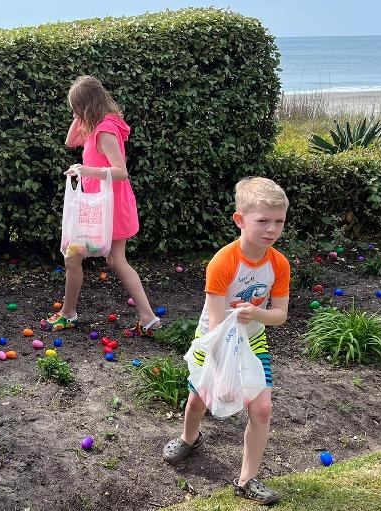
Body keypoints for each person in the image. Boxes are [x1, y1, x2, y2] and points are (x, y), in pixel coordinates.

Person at [162, 177, 291, 506]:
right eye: (262, 220)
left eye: (279, 221)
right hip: (214, 340)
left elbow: (279, 315)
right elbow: (218, 322)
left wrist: (255, 315)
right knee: (199, 398)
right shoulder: (223, 262)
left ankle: (247, 480)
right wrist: (224, 365)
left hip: (253, 342)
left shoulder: (278, 264)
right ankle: (189, 438)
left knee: (261, 409)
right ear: (240, 219)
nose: (271, 229)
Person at [40, 75, 160, 338]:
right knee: (114, 260)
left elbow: (120, 171)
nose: (74, 113)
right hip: (102, 205)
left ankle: (68, 314)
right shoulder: (95, 125)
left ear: (89, 106)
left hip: (108, 207)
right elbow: (70, 142)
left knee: (75, 256)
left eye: (77, 108)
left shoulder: (104, 130)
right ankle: (148, 318)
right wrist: (79, 115)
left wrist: (85, 169)